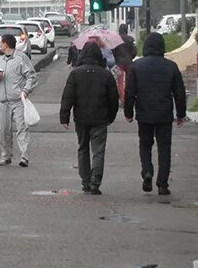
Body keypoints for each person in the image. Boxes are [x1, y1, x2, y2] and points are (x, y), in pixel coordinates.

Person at [123, 32, 187, 195]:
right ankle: (163, 184)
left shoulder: (136, 66)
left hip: (144, 113)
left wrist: (128, 112)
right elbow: (179, 93)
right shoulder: (171, 66)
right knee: (164, 148)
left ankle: (147, 171)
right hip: (164, 114)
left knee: (145, 144)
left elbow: (130, 92)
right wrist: (180, 114)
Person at [59, 42, 120, 195]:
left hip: (81, 118)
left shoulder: (75, 73)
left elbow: (68, 97)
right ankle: (95, 183)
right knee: (98, 151)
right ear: (98, 55)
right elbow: (114, 99)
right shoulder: (105, 74)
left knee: (83, 148)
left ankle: (85, 181)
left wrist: (64, 117)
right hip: (100, 119)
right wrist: (110, 117)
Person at [0, 34, 38, 167]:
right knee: (4, 130)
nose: (0, 45)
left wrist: (26, 90)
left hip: (18, 100)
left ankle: (24, 157)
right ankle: (6, 156)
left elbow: (31, 76)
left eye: (1, 42)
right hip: (3, 101)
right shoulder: (1, 60)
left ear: (6, 44)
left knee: (22, 128)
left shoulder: (20, 58)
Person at [112, 23, 137, 102]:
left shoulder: (116, 39)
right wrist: (131, 57)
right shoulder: (131, 39)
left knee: (120, 82)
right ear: (126, 30)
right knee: (129, 81)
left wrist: (116, 58)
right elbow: (135, 51)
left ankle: (123, 99)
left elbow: (113, 51)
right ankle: (129, 97)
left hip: (119, 62)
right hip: (129, 62)